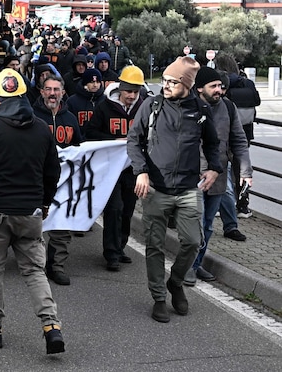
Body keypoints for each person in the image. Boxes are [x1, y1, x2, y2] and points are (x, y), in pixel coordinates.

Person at [0, 68, 65, 354]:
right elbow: (52, 172)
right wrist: (44, 203)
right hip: (30, 212)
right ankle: (50, 325)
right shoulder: (42, 128)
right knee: (34, 271)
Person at [127, 56, 223, 323]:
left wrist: (214, 168)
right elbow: (134, 141)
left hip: (188, 189)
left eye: (172, 82)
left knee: (194, 241)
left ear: (187, 85)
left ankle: (176, 282)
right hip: (156, 189)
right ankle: (158, 297)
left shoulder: (200, 111)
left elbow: (213, 144)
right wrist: (141, 171)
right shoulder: (152, 105)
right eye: (165, 80)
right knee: (155, 245)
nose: (166, 85)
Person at [184, 67, 252, 286]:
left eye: (220, 86)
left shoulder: (228, 107)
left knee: (208, 226)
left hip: (218, 178)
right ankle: (188, 267)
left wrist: (245, 172)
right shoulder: (187, 106)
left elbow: (239, 141)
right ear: (199, 88)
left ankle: (195, 264)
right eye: (213, 86)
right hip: (193, 178)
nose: (219, 90)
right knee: (196, 225)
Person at [85, 66, 149, 270]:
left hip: (133, 169)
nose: (132, 96)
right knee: (114, 208)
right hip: (110, 169)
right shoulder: (104, 107)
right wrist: (115, 140)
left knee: (128, 209)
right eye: (128, 91)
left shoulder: (144, 108)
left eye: (135, 92)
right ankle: (111, 253)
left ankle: (120, 246)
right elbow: (91, 133)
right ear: (120, 88)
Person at [31, 73, 82, 286]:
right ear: (42, 92)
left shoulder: (70, 119)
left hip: (63, 182)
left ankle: (57, 266)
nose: (53, 94)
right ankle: (33, 263)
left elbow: (80, 148)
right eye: (49, 89)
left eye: (56, 90)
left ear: (63, 92)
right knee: (30, 223)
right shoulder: (32, 117)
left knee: (62, 224)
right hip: (35, 181)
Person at [215, 54, 260, 218]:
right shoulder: (247, 82)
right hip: (245, 132)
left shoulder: (222, 82)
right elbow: (256, 101)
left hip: (225, 134)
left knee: (223, 170)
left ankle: (221, 205)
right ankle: (243, 206)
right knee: (241, 168)